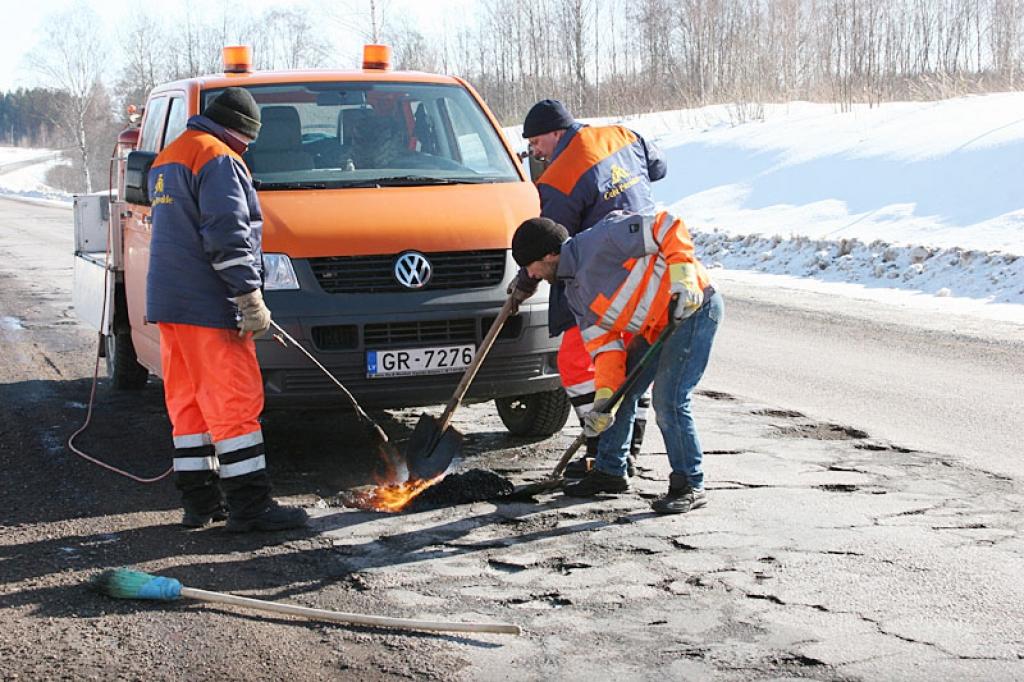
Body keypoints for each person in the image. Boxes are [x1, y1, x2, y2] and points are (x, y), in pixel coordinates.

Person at [147, 87, 308, 532]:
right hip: (208, 305)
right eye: (249, 141)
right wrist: (248, 294)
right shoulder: (219, 158)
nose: (248, 149)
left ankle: (200, 503)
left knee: (189, 406)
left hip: (170, 306)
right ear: (240, 131)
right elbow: (228, 232)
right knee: (234, 401)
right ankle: (250, 508)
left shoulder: (168, 158)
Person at [510, 212, 723, 514]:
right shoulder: (575, 294)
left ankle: (689, 483)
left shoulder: (603, 238)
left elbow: (667, 226)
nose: (531, 275)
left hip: (693, 308)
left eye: (530, 266)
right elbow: (606, 348)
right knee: (619, 394)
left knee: (669, 401)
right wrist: (604, 398)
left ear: (549, 255)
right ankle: (610, 472)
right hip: (655, 326)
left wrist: (683, 274)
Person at [511, 99, 668, 477]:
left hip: (599, 275)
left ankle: (602, 447)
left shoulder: (561, 177)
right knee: (629, 363)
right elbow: (659, 168)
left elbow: (550, 246)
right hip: (647, 264)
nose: (534, 150)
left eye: (535, 142)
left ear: (555, 132)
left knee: (576, 360)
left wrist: (524, 283)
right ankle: (627, 447)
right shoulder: (623, 134)